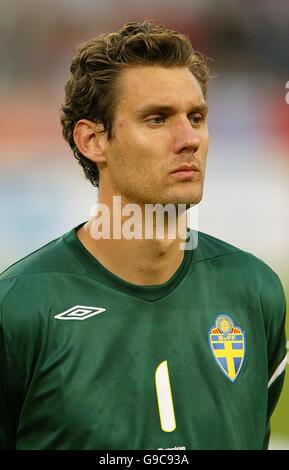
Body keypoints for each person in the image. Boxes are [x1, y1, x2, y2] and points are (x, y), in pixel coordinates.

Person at [0, 20, 287, 451]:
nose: (189, 139)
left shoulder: (254, 290)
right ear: (93, 140)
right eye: (157, 119)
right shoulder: (21, 307)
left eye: (197, 117)